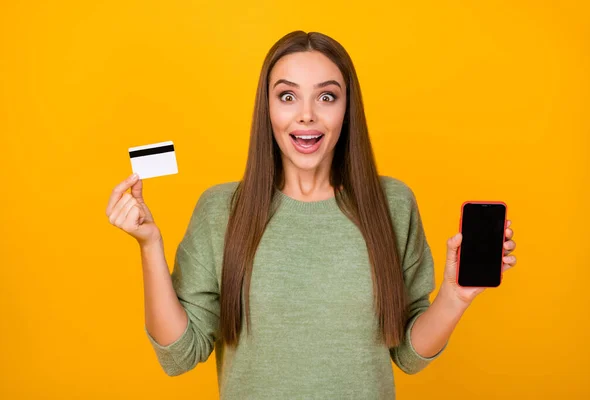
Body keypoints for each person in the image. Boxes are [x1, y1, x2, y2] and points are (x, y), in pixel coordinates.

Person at [106, 30, 517, 399]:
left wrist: (455, 296)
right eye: (287, 96)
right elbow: (179, 355)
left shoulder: (391, 204)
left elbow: (409, 355)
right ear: (267, 109)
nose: (306, 115)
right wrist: (149, 244)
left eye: (326, 96)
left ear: (346, 109)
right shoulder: (221, 210)